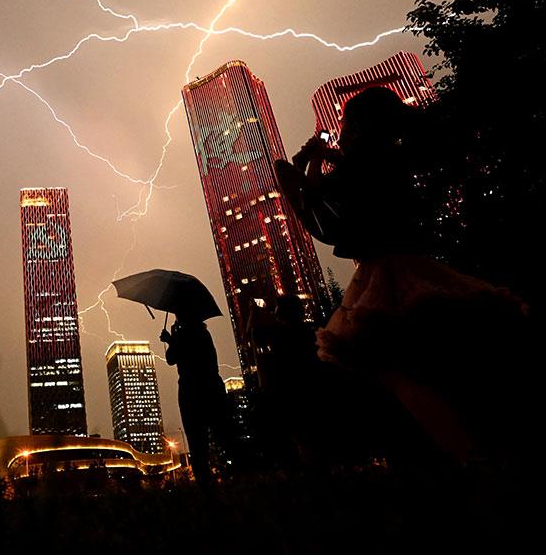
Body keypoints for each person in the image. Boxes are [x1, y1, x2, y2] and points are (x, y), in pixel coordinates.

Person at [275, 87, 527, 462]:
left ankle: (463, 451)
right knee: (421, 362)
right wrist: (321, 161)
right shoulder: (387, 159)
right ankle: (469, 446)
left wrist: (309, 162)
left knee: (400, 367)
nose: (339, 132)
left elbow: (316, 202)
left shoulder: (365, 165)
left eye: (344, 124)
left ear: (359, 129)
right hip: (410, 264)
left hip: (390, 273)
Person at [160, 312, 230, 484]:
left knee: (197, 442)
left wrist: (171, 339)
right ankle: (232, 480)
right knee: (222, 436)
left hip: (192, 390)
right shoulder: (204, 333)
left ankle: (207, 488)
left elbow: (171, 358)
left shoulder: (184, 335)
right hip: (213, 387)